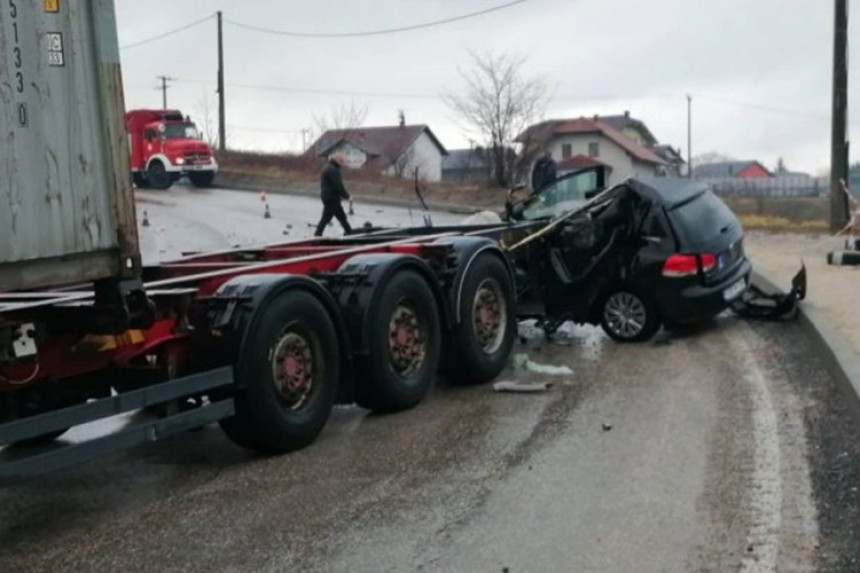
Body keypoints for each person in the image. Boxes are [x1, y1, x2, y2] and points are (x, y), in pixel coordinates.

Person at [314, 154, 353, 237]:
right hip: (331, 198)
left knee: (341, 217)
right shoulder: (332, 170)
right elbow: (338, 185)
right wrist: (347, 196)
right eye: (341, 161)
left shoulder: (330, 168)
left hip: (330, 197)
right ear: (336, 160)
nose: (343, 163)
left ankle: (349, 232)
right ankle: (317, 235)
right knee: (326, 218)